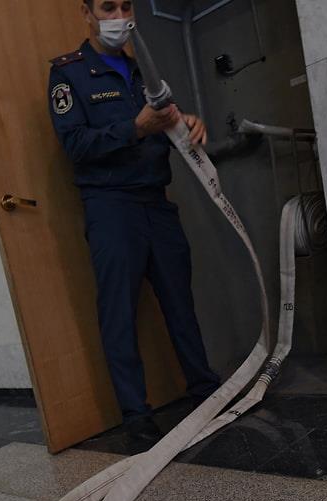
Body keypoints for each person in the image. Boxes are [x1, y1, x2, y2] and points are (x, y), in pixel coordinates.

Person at [49, 0, 220, 443]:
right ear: (86, 13)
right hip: (110, 206)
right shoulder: (68, 74)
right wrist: (136, 128)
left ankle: (205, 391)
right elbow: (76, 145)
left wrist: (185, 125)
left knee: (180, 303)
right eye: (108, 7)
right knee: (119, 312)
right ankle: (136, 415)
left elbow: (165, 123)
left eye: (126, 6)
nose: (119, 16)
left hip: (156, 203)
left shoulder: (145, 72)